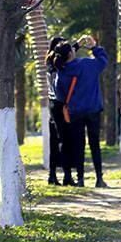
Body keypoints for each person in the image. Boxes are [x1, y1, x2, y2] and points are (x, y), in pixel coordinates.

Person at [53, 34, 108, 188]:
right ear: (71, 53)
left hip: (75, 113)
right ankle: (99, 178)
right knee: (94, 144)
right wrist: (94, 47)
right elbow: (103, 61)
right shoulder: (87, 64)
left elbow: (60, 95)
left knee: (79, 145)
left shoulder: (61, 73)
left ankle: (81, 179)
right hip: (93, 110)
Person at [45, 36, 74, 185]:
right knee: (63, 140)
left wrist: (77, 45)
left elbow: (69, 51)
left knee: (56, 141)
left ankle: (56, 175)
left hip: (55, 105)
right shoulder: (54, 65)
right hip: (59, 105)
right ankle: (64, 175)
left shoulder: (52, 62)